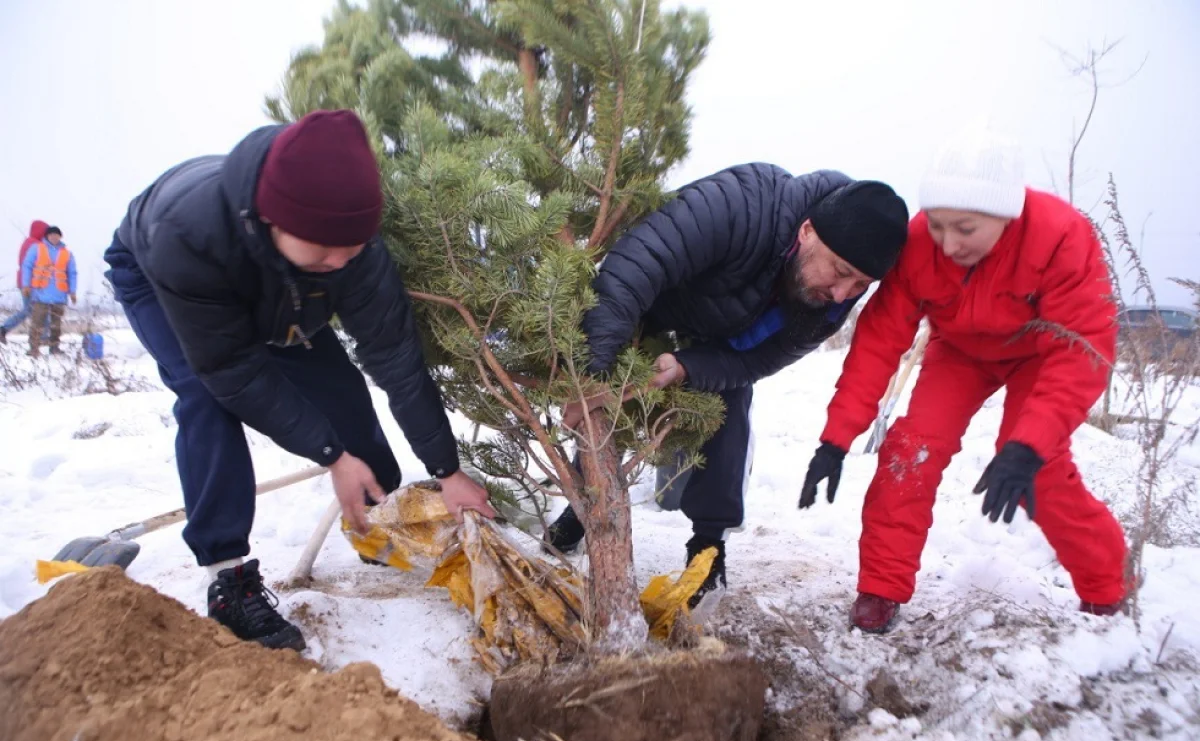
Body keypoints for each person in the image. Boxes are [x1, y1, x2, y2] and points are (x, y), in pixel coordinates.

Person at [102, 109, 495, 651]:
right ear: (272, 219)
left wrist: (446, 469)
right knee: (206, 400)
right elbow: (233, 371)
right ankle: (227, 578)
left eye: (351, 250)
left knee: (340, 387)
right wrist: (331, 456)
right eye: (324, 250)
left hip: (282, 286)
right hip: (163, 276)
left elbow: (396, 359)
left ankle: (372, 514)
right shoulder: (186, 233)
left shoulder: (348, 254)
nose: (339, 262)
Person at [799, 128, 1128, 633]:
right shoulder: (917, 243)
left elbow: (1079, 350)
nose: (947, 244)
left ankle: (1107, 592)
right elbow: (879, 342)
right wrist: (836, 439)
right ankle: (881, 588)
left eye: (966, 229)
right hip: (960, 351)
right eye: (937, 226)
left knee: (1037, 468)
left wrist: (1029, 444)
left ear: (1006, 214)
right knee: (910, 451)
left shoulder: (1062, 237)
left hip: (1040, 355)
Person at [548, 163, 910, 603]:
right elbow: (637, 263)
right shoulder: (742, 204)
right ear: (808, 231)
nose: (841, 294)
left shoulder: (827, 307)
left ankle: (708, 546)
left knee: (729, 407)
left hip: (714, 339)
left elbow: (755, 361)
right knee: (612, 394)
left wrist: (686, 367)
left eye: (861, 284)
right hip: (650, 306)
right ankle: (586, 507)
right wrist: (593, 375)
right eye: (839, 270)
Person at [20, 225, 77, 356]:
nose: (54, 237)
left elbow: (72, 273)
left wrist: (72, 291)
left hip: (59, 294)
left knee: (56, 324)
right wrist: (25, 285)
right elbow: (27, 266)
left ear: (60, 236)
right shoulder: (37, 249)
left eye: (57, 235)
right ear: (47, 236)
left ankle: (54, 347)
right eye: (51, 234)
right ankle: (34, 348)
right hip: (40, 293)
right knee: (37, 322)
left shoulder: (67, 253)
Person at [1, 220, 49, 344]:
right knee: (40, 310)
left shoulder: (30, 243)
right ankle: (43, 339)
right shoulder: (35, 245)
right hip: (30, 284)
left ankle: (4, 329)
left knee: (30, 310)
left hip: (26, 283)